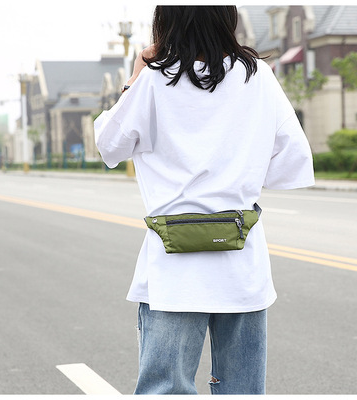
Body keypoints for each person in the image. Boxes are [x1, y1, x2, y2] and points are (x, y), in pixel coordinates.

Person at [94, 6, 315, 395]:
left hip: (173, 271)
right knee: (241, 390)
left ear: (166, 23)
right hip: (241, 265)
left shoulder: (154, 80)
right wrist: (240, 166)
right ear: (226, 18)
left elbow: (110, 146)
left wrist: (135, 75)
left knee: (166, 389)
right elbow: (291, 166)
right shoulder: (258, 77)